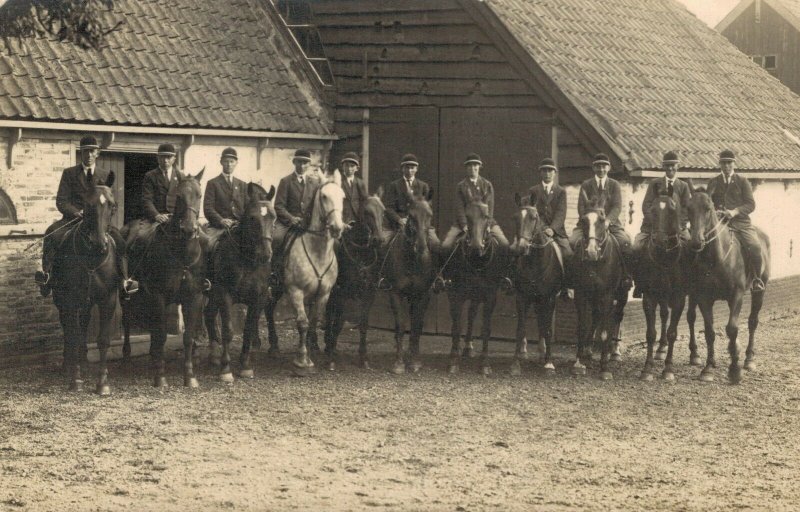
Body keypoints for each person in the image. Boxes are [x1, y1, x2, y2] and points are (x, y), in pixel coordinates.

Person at [34, 135, 138, 297]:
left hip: (99, 222)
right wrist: (76, 212)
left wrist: (104, 215)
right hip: (73, 220)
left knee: (120, 241)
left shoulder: (105, 175)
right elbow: (61, 201)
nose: (89, 155)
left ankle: (125, 281)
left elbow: (112, 203)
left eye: (92, 151)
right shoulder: (69, 173)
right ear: (81, 153)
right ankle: (47, 276)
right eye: (85, 152)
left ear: (97, 153)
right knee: (51, 234)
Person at [631, 151, 692, 297]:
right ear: (663, 167)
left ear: (678, 166)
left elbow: (686, 209)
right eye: (667, 166)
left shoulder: (683, 186)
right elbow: (646, 205)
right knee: (636, 247)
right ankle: (639, 283)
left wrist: (679, 225)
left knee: (691, 247)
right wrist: (656, 223)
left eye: (673, 166)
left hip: (677, 228)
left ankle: (689, 282)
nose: (670, 169)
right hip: (653, 227)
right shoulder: (654, 184)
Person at [568, 153, 633, 287]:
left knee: (625, 242)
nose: (601, 169)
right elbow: (581, 207)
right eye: (598, 166)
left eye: (604, 166)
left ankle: (626, 276)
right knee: (572, 242)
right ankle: (571, 279)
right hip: (588, 224)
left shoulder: (614, 185)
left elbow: (617, 206)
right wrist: (587, 221)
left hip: (610, 224)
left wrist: (608, 221)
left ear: (609, 168)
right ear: (593, 168)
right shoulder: (586, 185)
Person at [706, 149, 765, 292]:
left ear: (734, 164)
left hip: (741, 224)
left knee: (755, 246)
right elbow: (707, 203)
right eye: (723, 163)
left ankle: (756, 279)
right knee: (698, 245)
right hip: (719, 225)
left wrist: (734, 212)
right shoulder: (713, 182)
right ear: (719, 164)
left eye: (729, 163)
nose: (726, 166)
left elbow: (751, 204)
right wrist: (715, 211)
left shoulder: (742, 181)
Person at [441, 153, 509, 251]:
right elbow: (459, 208)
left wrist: (488, 225)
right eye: (470, 165)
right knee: (446, 245)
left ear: (479, 167)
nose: (472, 168)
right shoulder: (461, 186)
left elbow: (490, 207)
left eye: (475, 165)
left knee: (504, 243)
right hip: (465, 222)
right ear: (466, 168)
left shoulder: (487, 185)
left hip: (484, 222)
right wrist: (464, 224)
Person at [382, 153, 440, 250]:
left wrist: (423, 223)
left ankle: (434, 265)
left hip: (420, 225)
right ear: (402, 169)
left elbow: (427, 210)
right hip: (398, 224)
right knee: (383, 243)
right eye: (407, 167)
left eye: (412, 168)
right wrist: (399, 220)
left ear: (416, 169)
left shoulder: (423, 186)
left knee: (436, 243)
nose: (409, 170)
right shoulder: (394, 185)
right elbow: (388, 208)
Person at [527, 157, 572, 258]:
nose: (547, 174)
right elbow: (532, 212)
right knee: (522, 250)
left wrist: (552, 229)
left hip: (556, 232)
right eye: (544, 171)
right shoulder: (533, 190)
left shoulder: (560, 191)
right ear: (540, 173)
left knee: (568, 253)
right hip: (537, 230)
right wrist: (543, 227)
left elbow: (561, 213)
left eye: (550, 170)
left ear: (555, 173)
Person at [203, 147, 247, 229]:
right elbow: (208, 208)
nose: (229, 164)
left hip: (240, 226)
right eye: (226, 161)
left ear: (236, 163)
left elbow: (248, 208)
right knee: (208, 241)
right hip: (219, 227)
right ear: (221, 162)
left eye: (231, 161)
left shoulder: (243, 185)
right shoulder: (213, 183)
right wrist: (221, 220)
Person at [141, 143, 182, 225]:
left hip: (176, 218)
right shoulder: (150, 176)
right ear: (158, 158)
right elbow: (147, 199)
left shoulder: (180, 176)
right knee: (141, 235)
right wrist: (156, 215)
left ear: (174, 159)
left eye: (169, 157)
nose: (165, 160)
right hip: (155, 219)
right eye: (162, 157)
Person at [339, 152, 368, 226]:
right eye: (346, 166)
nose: (349, 169)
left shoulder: (360, 183)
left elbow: (364, 200)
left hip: (357, 218)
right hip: (343, 218)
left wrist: (361, 215)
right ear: (342, 167)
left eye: (352, 166)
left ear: (357, 168)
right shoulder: (339, 182)